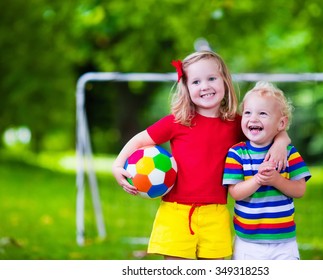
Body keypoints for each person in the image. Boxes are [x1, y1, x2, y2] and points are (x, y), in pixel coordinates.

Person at [112, 51, 291, 260]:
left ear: (225, 81)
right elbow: (139, 140)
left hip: (216, 214)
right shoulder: (176, 121)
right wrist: (117, 165)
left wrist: (281, 143)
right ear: (186, 88)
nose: (205, 86)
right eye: (196, 81)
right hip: (175, 213)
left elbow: (273, 129)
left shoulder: (237, 123)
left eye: (212, 78)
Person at [223, 81, 311, 260]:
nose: (253, 118)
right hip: (247, 243)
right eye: (248, 113)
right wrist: (258, 180)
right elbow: (235, 193)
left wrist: (276, 180)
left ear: (281, 124)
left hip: (284, 242)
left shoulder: (289, 153)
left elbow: (300, 190)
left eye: (263, 114)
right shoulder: (237, 153)